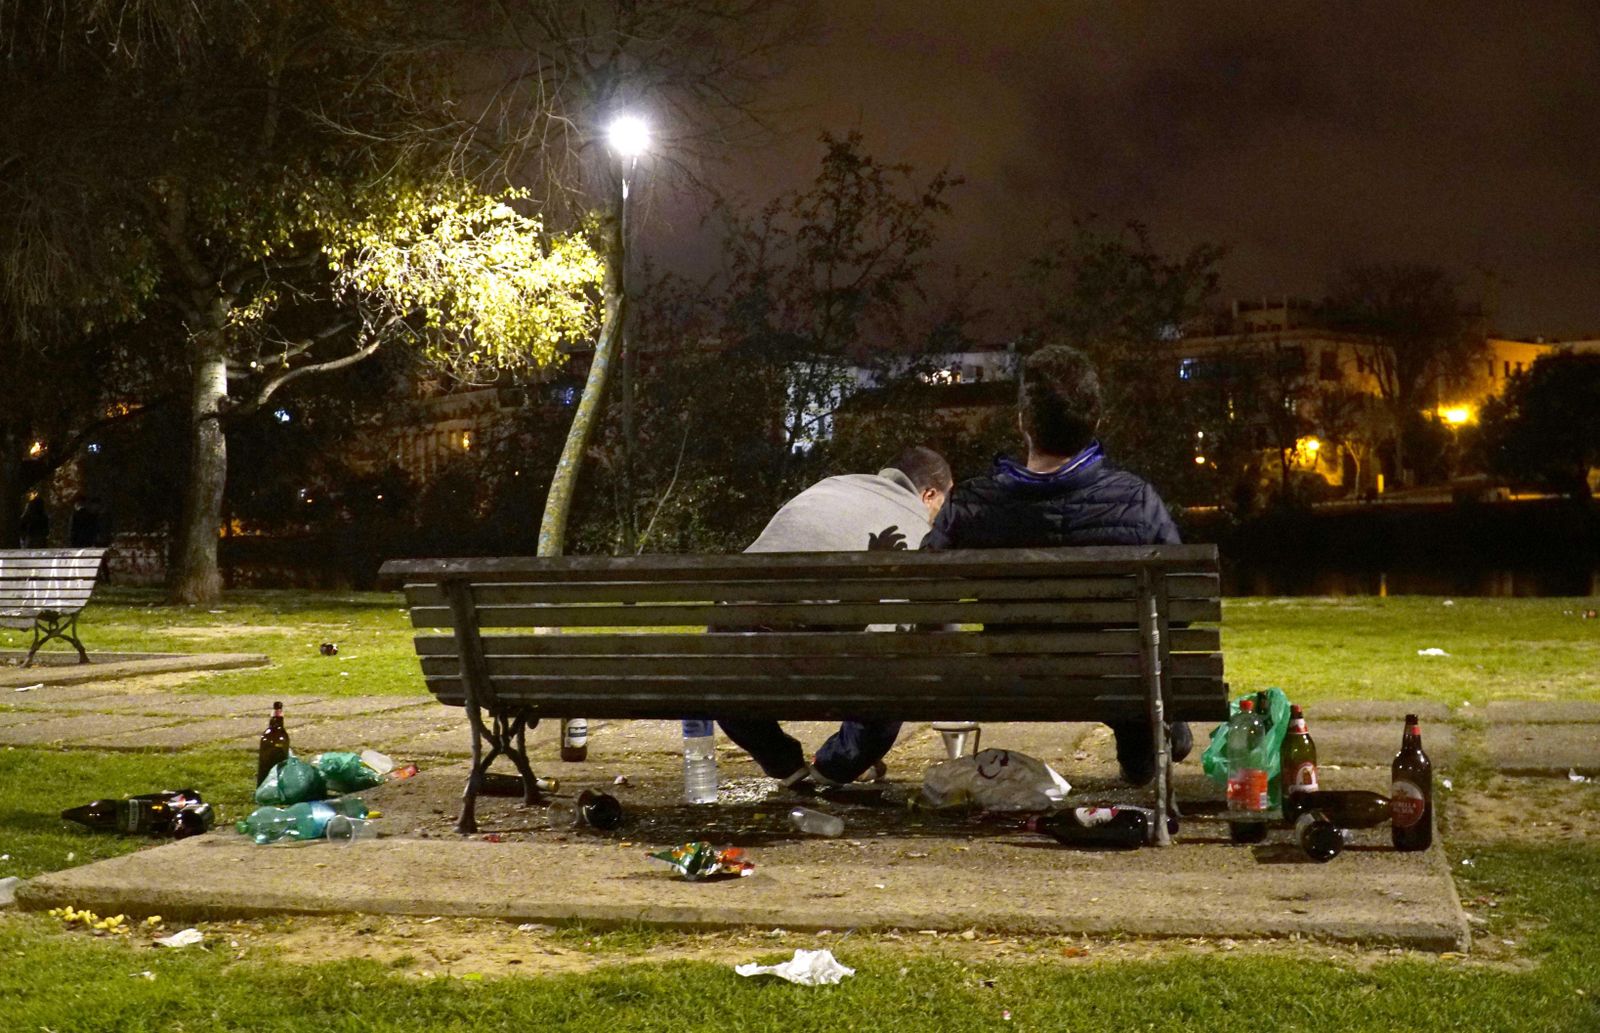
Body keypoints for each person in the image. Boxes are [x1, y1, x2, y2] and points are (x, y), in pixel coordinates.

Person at [923, 344, 1192, 786]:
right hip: (1108, 676)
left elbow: (925, 594)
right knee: (1130, 672)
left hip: (1003, 674)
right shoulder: (1136, 500)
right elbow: (1181, 605)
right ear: (1096, 423)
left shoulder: (971, 502)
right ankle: (1146, 745)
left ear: (1023, 423)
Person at [718, 446, 953, 790]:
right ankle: (836, 767)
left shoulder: (829, 487)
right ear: (929, 494)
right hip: (835, 668)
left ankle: (783, 763)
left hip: (743, 659)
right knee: (896, 674)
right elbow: (938, 629)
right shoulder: (920, 525)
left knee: (725, 648)